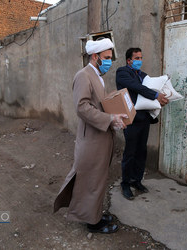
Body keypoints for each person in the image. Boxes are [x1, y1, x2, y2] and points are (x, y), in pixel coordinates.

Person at [54, 38, 127, 234]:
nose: (110, 61)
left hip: (101, 137)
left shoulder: (97, 76)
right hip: (92, 140)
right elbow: (82, 107)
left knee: (98, 179)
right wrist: (110, 118)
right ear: (95, 57)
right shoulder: (83, 75)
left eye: (110, 58)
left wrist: (116, 111)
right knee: (90, 181)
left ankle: (94, 213)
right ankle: (92, 222)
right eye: (107, 58)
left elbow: (98, 105)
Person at [116, 48, 169, 200]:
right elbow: (137, 88)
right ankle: (125, 183)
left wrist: (162, 98)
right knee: (130, 153)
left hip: (144, 119)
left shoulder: (144, 76)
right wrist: (156, 95)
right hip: (131, 120)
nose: (140, 60)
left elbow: (150, 88)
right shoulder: (122, 72)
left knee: (141, 152)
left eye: (141, 57)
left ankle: (136, 180)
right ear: (129, 60)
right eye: (137, 58)